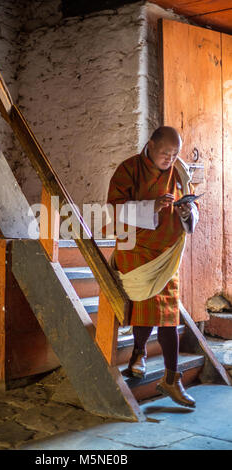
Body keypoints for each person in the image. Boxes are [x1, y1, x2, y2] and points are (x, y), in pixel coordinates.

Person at [106, 126, 199, 408]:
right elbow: (113, 208)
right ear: (151, 145)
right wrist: (151, 207)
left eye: (174, 154)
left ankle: (169, 376)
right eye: (164, 153)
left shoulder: (180, 173)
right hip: (136, 252)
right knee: (151, 309)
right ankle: (139, 353)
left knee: (168, 316)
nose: (169, 159)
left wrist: (188, 212)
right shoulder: (129, 169)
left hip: (166, 254)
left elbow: (193, 207)